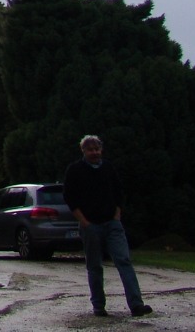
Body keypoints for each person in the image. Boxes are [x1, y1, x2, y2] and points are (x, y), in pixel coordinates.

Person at [62, 134, 152, 318]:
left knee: (124, 261)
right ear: (84, 151)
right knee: (95, 266)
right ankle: (98, 306)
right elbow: (70, 198)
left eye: (97, 149)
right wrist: (84, 221)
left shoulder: (108, 168)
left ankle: (136, 304)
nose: (94, 153)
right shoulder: (75, 170)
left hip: (112, 224)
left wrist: (117, 215)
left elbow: (119, 192)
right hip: (90, 226)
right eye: (90, 150)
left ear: (101, 149)